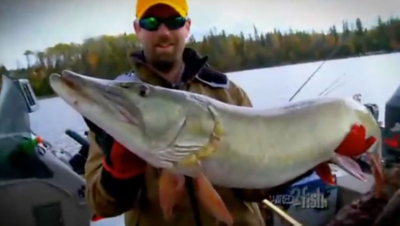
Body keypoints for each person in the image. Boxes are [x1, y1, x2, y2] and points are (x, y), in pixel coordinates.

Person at [83, 0, 376, 225]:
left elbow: (254, 190)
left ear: (187, 27)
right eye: (151, 21)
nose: (163, 31)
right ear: (137, 29)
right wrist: (118, 174)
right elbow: (101, 205)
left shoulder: (226, 91)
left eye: (174, 21)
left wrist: (314, 153)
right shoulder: (121, 106)